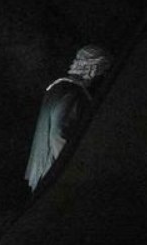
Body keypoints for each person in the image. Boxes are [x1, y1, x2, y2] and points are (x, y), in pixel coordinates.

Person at [23, 44, 113, 193]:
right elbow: (59, 132)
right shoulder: (73, 91)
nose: (103, 77)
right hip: (55, 176)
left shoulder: (59, 87)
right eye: (103, 71)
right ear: (94, 68)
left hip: (45, 175)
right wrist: (73, 172)